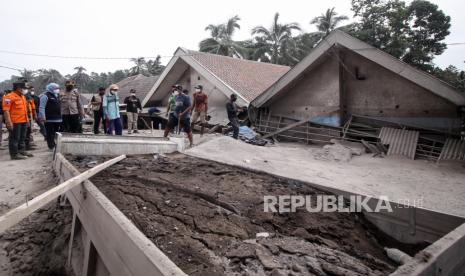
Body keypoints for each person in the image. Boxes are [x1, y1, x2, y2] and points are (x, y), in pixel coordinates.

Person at [2, 81, 33, 159]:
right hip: (15, 122)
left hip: (23, 121)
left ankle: (21, 150)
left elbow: (25, 110)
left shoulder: (22, 96)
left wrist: (27, 121)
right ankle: (14, 154)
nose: (26, 90)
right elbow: (6, 110)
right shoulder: (9, 97)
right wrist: (8, 122)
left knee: (22, 137)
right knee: (14, 138)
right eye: (24, 88)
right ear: (19, 88)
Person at [38, 83, 62, 150]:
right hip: (49, 119)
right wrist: (43, 116)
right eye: (55, 88)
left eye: (58, 88)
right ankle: (51, 146)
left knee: (56, 133)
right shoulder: (45, 96)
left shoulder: (57, 96)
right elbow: (41, 107)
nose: (57, 90)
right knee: (50, 133)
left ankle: (56, 145)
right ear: (51, 88)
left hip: (58, 119)